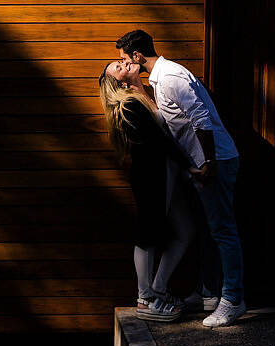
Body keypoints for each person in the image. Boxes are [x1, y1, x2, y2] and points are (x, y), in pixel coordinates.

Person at [115, 29, 247, 327]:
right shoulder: (158, 80)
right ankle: (209, 292)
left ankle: (233, 299)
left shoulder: (170, 77)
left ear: (137, 56)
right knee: (209, 231)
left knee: (223, 231)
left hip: (215, 161)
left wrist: (209, 161)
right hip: (201, 163)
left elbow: (201, 119)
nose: (124, 63)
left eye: (125, 58)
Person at [97, 57, 202, 322]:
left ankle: (159, 288)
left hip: (168, 173)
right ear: (117, 83)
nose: (124, 63)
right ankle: (145, 299)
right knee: (148, 233)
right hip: (153, 176)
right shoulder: (129, 105)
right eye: (118, 67)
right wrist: (189, 166)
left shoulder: (143, 94)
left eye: (122, 61)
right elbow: (158, 141)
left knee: (186, 230)